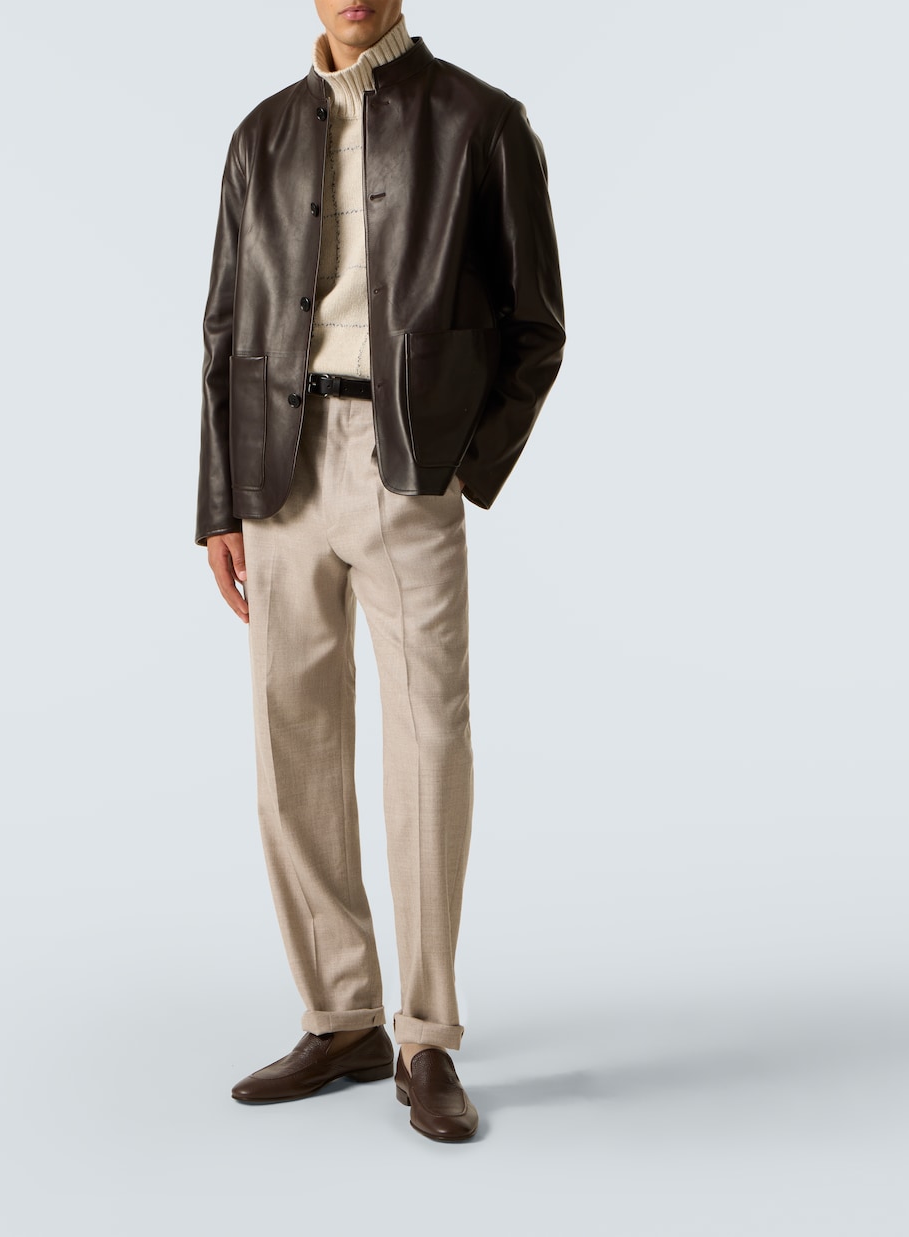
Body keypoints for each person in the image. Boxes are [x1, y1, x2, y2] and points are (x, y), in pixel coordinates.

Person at [195, 0, 564, 1142]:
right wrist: (219, 500)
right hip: (279, 466)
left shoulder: (481, 123)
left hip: (409, 465)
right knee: (292, 744)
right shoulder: (260, 135)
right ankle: (341, 1015)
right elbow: (223, 328)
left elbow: (537, 326)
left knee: (429, 743)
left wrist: (458, 465)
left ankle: (424, 1034)